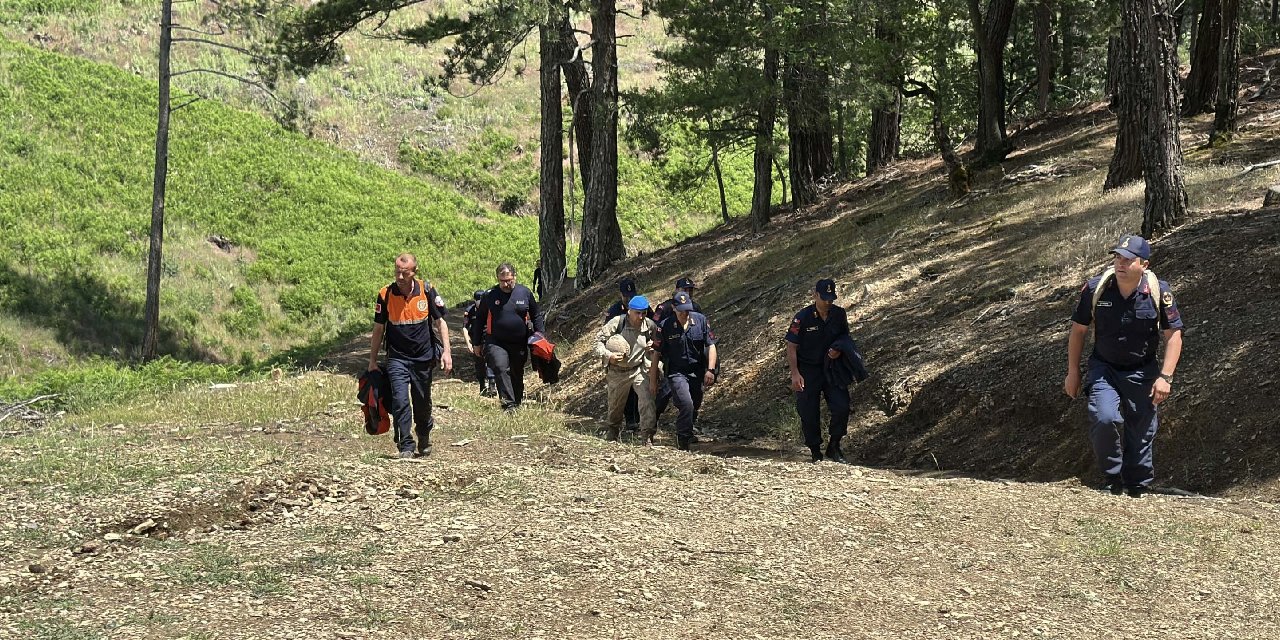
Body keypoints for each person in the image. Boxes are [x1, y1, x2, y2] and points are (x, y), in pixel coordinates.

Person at [1064, 234, 1184, 498]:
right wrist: (1073, 371)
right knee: (1104, 417)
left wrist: (1166, 377)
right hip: (1104, 369)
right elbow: (1078, 331)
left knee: (1141, 427)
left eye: (1128, 260)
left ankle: (1137, 485)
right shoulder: (1097, 289)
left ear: (1144, 265)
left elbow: (1173, 336)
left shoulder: (1158, 292)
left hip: (1142, 370)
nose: (1121, 264)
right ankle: (1112, 478)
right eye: (1118, 257)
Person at [368, 253, 452, 459]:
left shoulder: (427, 290)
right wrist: (372, 360)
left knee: (422, 401)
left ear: (414, 272)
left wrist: (447, 352)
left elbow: (441, 323)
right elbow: (379, 329)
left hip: (423, 358)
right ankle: (405, 443)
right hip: (397, 358)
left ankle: (423, 435)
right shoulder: (385, 294)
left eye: (404, 273)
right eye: (397, 271)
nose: (400, 276)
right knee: (400, 400)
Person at [785, 278, 852, 463]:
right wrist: (795, 373)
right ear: (815, 295)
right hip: (808, 370)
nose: (828, 303)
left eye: (831, 299)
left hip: (832, 368)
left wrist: (839, 349)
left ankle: (835, 445)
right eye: (825, 299)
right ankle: (815, 450)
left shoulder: (839, 314)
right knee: (808, 411)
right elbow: (791, 346)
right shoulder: (802, 317)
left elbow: (845, 337)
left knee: (842, 407)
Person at [469, 262, 545, 412]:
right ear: (497, 279)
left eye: (509, 280)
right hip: (496, 341)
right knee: (500, 367)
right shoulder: (490, 295)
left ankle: (516, 401)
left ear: (514, 277)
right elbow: (480, 320)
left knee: (517, 372)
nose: (506, 284)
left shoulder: (525, 293)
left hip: (519, 342)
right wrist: (476, 343)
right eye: (502, 281)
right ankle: (508, 405)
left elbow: (536, 315)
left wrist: (540, 335)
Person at [649, 291, 718, 451]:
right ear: (673, 308)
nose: (684, 314)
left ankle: (686, 432)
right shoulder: (665, 326)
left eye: (687, 310)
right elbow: (656, 354)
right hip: (676, 372)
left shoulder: (700, 321)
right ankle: (683, 440)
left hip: (697, 371)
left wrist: (711, 370)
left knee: (694, 404)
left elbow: (711, 345)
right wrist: (653, 381)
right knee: (686, 404)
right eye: (681, 310)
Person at [595, 295, 660, 443]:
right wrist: (608, 355)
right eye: (637, 313)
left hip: (638, 369)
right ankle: (613, 433)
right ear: (629, 311)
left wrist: (652, 345)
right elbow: (597, 342)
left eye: (644, 312)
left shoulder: (649, 325)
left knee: (647, 401)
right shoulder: (617, 322)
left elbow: (658, 343)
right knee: (615, 406)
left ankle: (647, 437)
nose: (641, 316)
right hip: (617, 371)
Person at [603, 277, 652, 430]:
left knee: (642, 391)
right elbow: (605, 337)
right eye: (626, 296)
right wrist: (609, 355)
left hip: (639, 357)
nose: (629, 298)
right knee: (621, 396)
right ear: (621, 295)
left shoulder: (643, 308)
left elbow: (652, 326)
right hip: (620, 360)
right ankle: (627, 420)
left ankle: (641, 424)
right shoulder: (614, 313)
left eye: (632, 295)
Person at [462, 289, 496, 396]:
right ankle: (482, 385)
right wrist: (468, 343)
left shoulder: (490, 308)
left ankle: (492, 384)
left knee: (490, 360)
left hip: (488, 337)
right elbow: (465, 328)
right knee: (479, 363)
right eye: (477, 300)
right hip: (475, 339)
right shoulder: (470, 311)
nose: (479, 302)